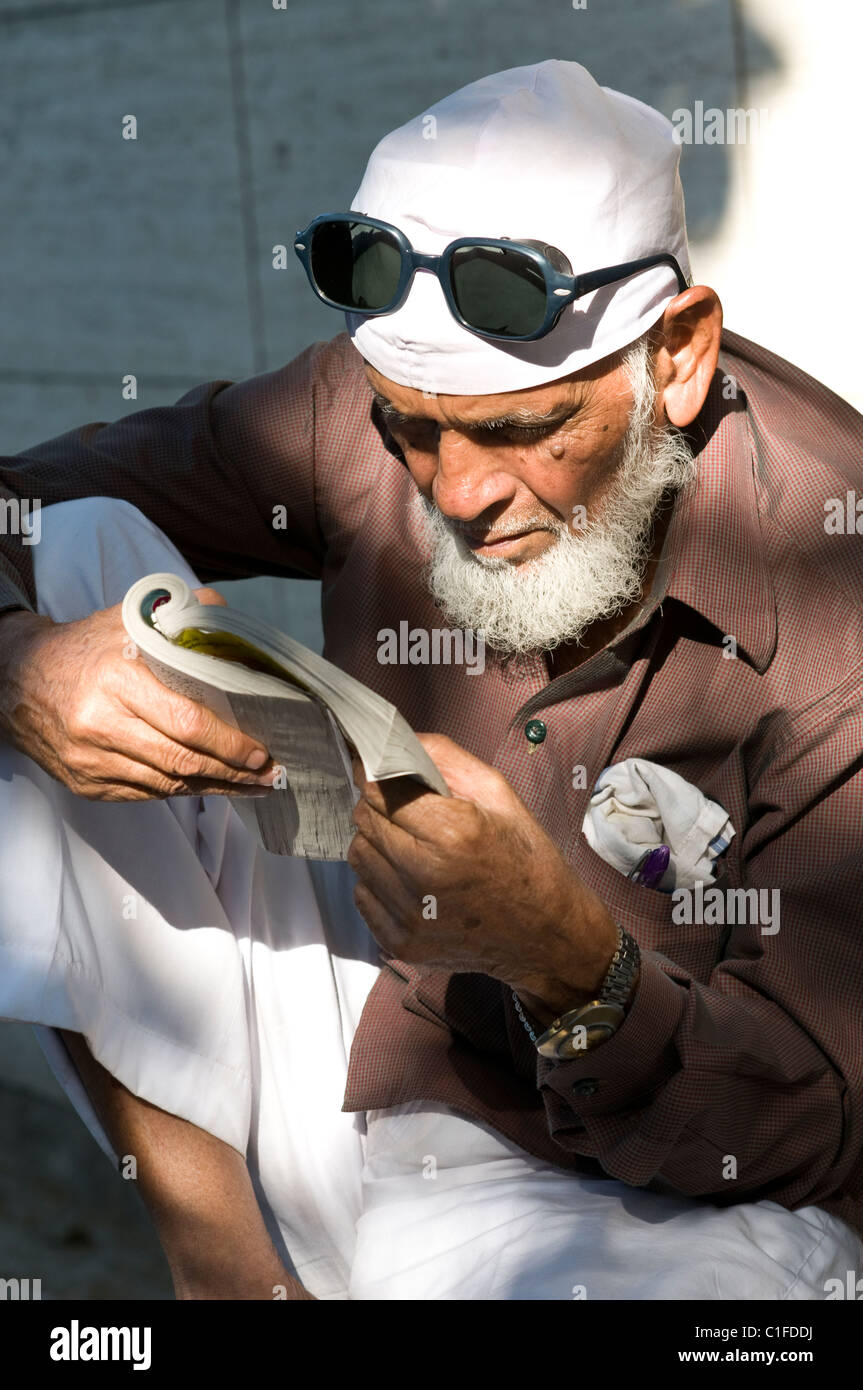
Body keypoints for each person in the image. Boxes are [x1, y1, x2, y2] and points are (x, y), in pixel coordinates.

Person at [1, 59, 862, 1301]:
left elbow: (812, 1123)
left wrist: (570, 960)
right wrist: (20, 666)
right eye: (412, 428)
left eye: (520, 432)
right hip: (384, 1065)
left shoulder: (835, 602)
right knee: (72, 560)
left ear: (673, 356)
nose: (456, 491)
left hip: (679, 1207)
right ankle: (225, 1271)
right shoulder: (352, 412)